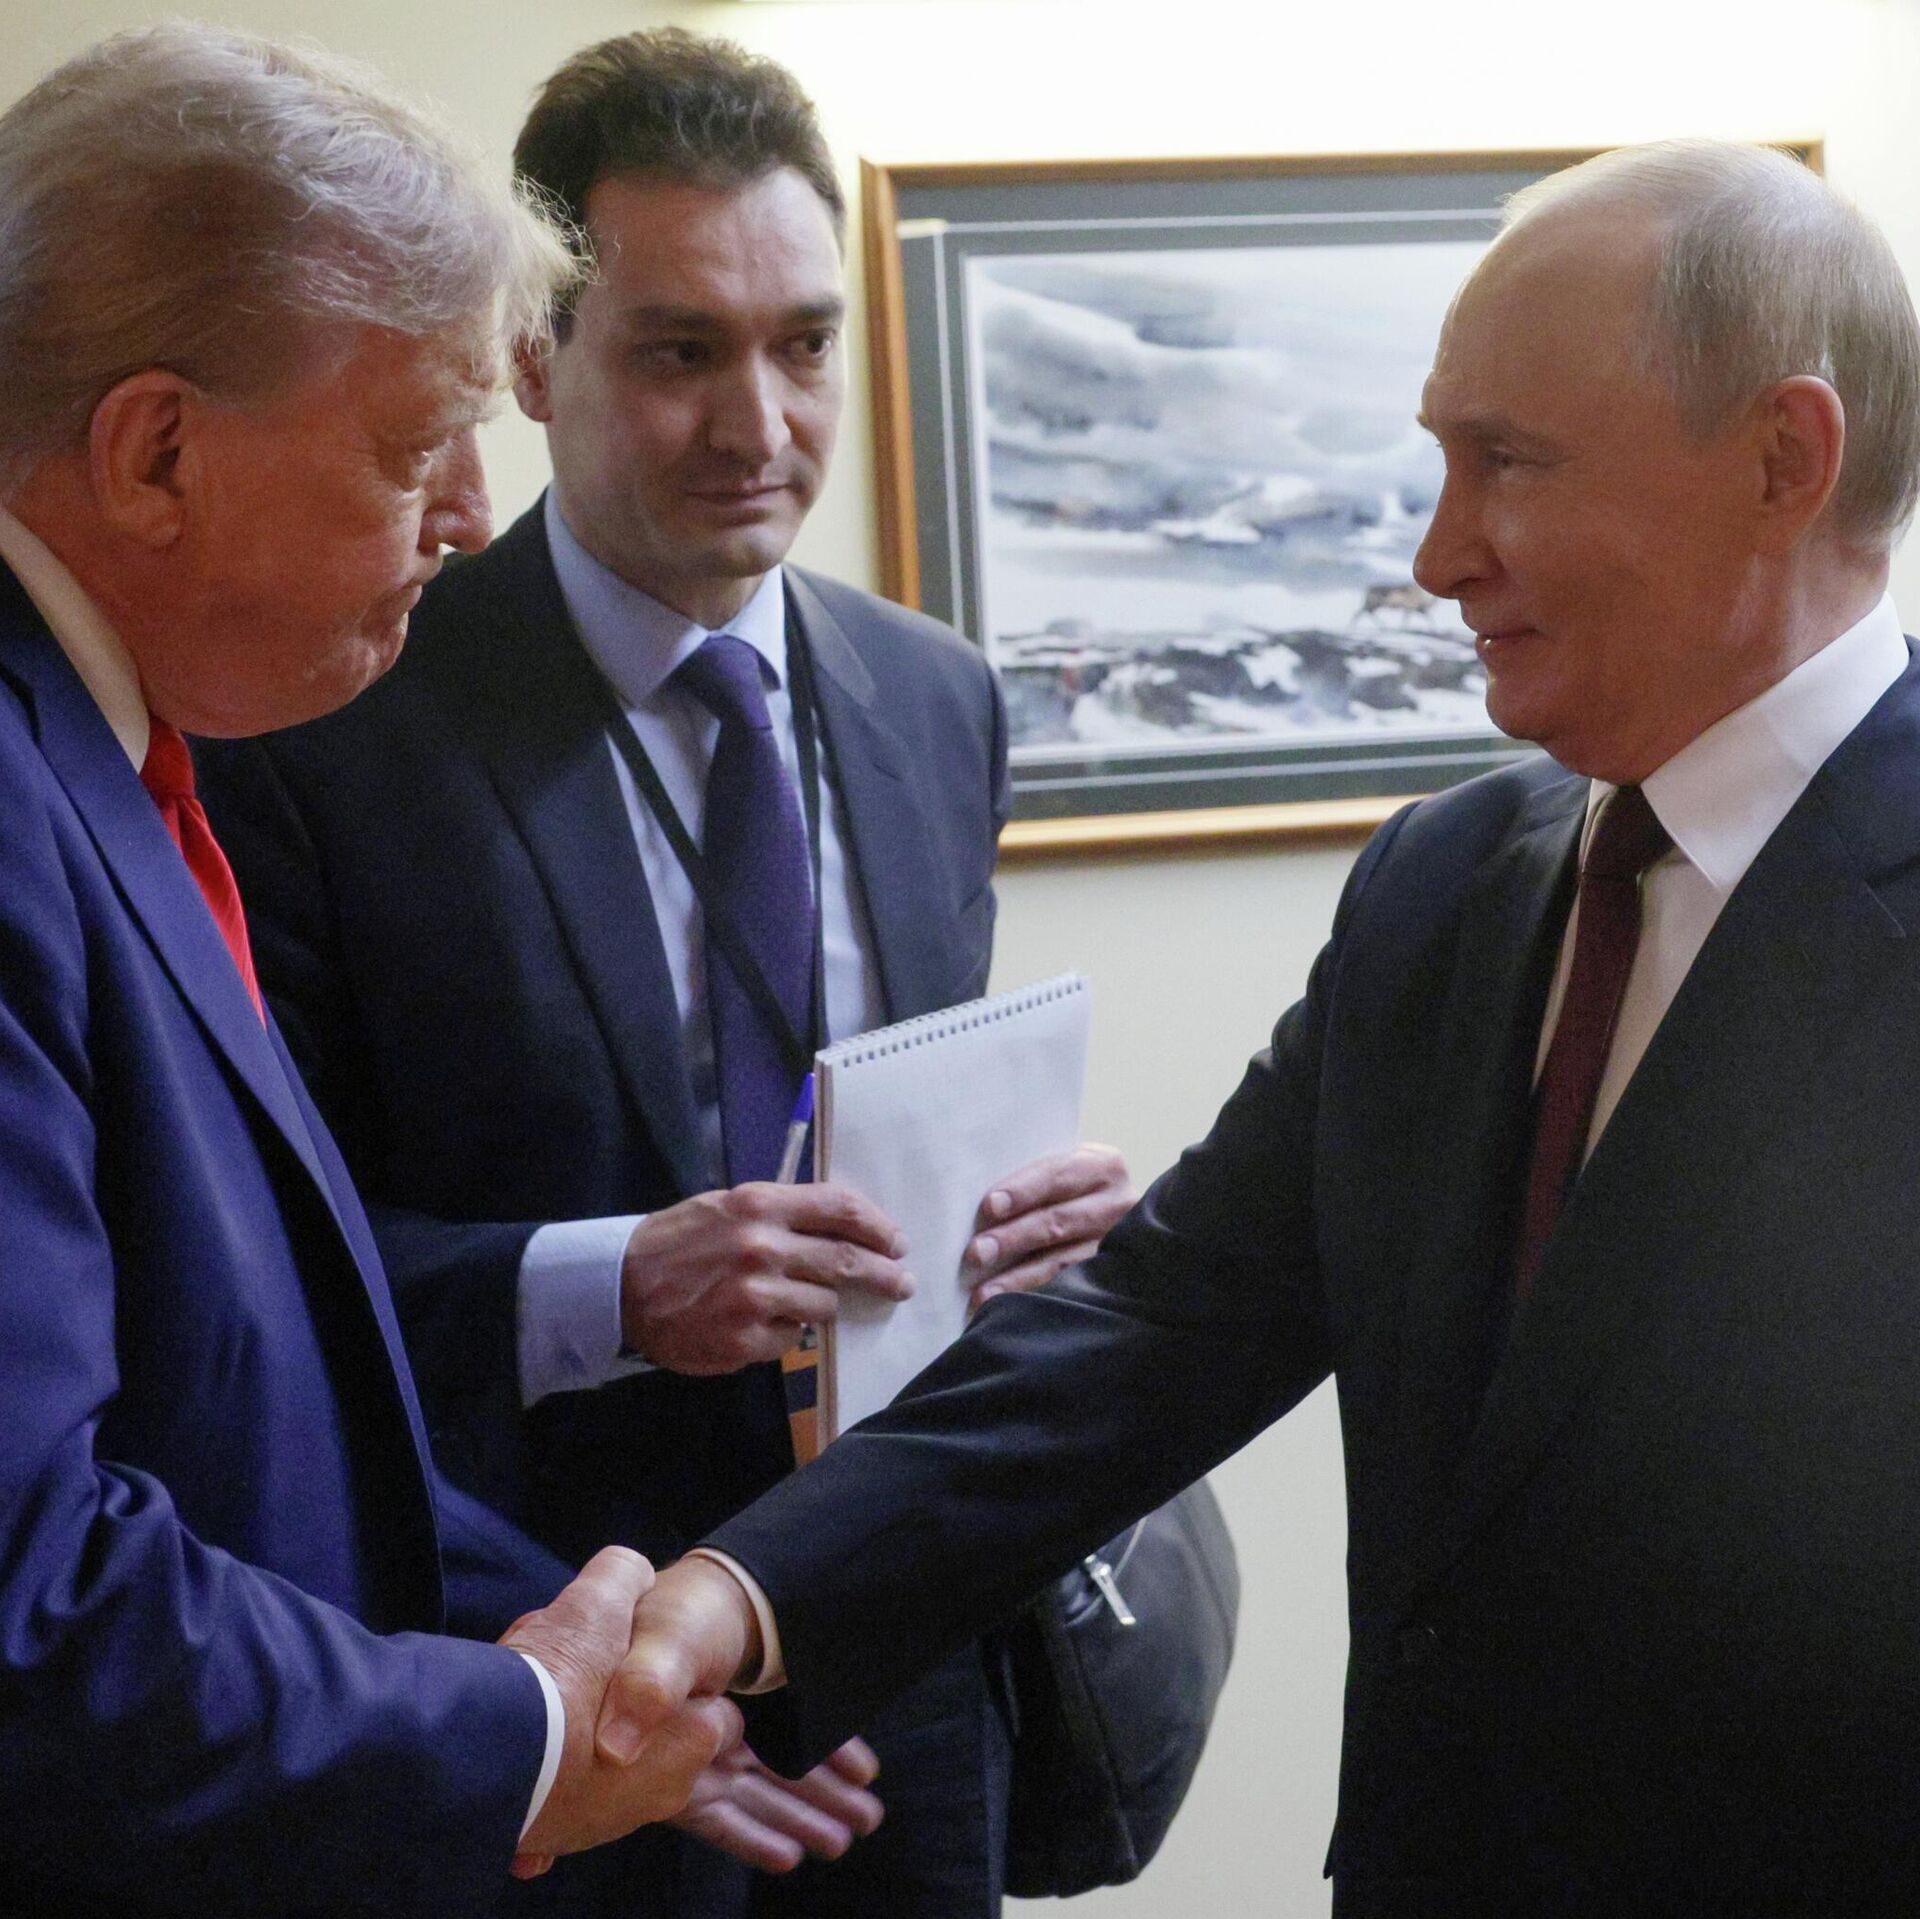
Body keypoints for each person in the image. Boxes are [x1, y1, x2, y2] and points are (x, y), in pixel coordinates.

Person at [597, 140, 1920, 1915]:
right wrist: (737, 1597)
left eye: (1508, 463)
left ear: (1782, 461)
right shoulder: (1446, 889)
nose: (1438, 555)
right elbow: (1157, 1327)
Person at [196, 27, 1134, 1917]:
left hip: (899, 1647)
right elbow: (256, 1288)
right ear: (534, 364)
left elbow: (914, 1135)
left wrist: (1037, 1234)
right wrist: (610, 1285)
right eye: (682, 352)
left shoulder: (936, 700)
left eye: (804, 346)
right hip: (540, 1666)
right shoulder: (327, 720)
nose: (757, 426)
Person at [0, 24, 774, 1915]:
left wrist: (584, 1639)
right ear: (157, 452)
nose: (470, 519)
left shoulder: (110, 762)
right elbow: (31, 1594)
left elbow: (253, 1424)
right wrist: (518, 1732)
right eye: (420, 445)